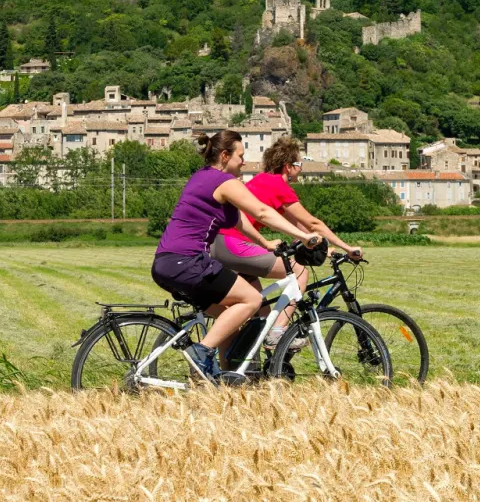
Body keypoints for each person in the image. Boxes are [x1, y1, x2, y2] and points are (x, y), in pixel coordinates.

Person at [151, 130, 322, 379]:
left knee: (227, 318)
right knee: (252, 300)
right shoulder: (222, 181)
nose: (243, 161)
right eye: (240, 156)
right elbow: (262, 212)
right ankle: (202, 353)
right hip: (188, 261)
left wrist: (264, 242)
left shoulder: (204, 178)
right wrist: (304, 236)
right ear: (224, 155)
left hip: (168, 262)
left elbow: (240, 221)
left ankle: (226, 379)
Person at [211, 136, 362, 349]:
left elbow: (300, 229)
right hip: (235, 244)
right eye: (299, 164)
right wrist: (349, 247)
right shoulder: (277, 185)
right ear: (288, 167)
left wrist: (325, 249)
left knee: (261, 316)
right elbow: (313, 222)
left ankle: (251, 361)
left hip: (224, 245)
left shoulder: (263, 181)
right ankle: (279, 333)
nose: (301, 169)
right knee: (299, 271)